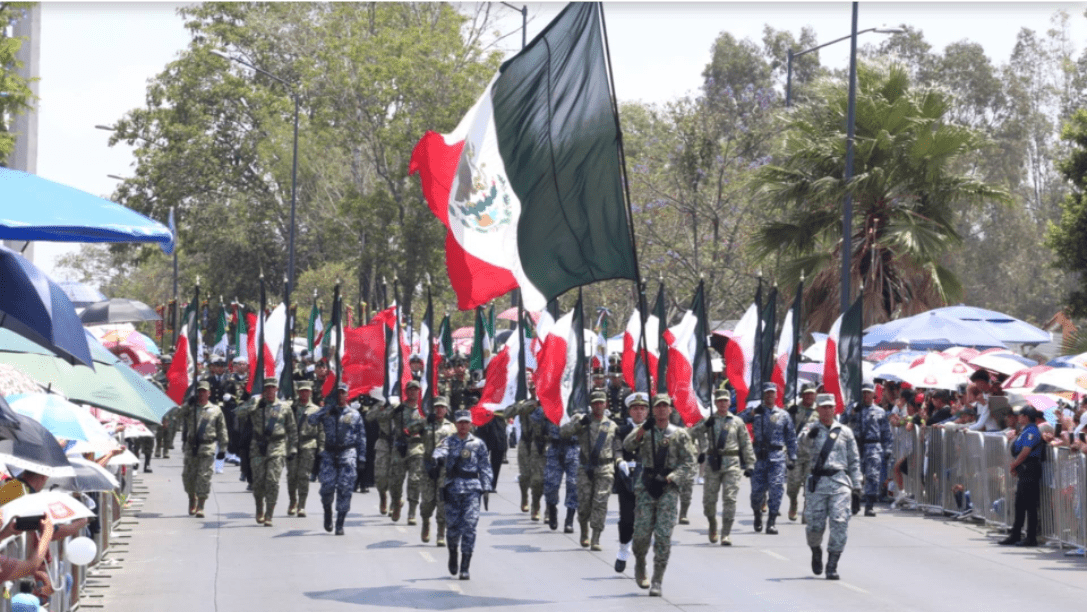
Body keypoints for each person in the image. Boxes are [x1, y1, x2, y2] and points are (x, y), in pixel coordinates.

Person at [623, 394, 697, 597]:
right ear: (653, 410)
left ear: (671, 410)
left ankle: (657, 580)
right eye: (658, 407)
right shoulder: (645, 431)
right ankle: (640, 562)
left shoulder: (680, 434)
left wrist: (672, 477)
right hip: (646, 487)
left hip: (668, 489)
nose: (662, 410)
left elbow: (690, 463)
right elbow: (628, 446)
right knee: (640, 537)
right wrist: (642, 429)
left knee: (663, 537)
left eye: (665, 406)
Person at [801, 394, 863, 581]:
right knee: (814, 525)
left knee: (840, 521)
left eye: (830, 407)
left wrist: (857, 487)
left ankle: (832, 565)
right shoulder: (810, 428)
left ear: (835, 408)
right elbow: (801, 445)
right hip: (818, 483)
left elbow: (854, 460)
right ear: (817, 409)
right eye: (823, 407)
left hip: (839, 482)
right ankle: (816, 551)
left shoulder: (845, 432)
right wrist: (808, 437)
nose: (827, 410)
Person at [433, 409, 493, 581]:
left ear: (471, 423)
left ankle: (465, 565)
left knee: (469, 526)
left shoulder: (478, 443)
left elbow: (485, 466)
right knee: (452, 528)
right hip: (453, 488)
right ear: (455, 424)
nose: (463, 426)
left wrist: (487, 485)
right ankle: (453, 553)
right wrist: (437, 459)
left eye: (466, 422)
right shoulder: (448, 441)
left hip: (472, 489)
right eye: (460, 422)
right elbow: (439, 451)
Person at [690, 389, 755, 546]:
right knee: (709, 501)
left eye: (725, 401)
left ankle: (726, 533)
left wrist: (750, 463)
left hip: (732, 463)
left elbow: (746, 443)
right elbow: (691, 434)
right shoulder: (708, 420)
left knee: (730, 499)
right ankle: (712, 523)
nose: (723, 404)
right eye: (719, 401)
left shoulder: (737, 422)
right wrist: (705, 425)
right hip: (713, 464)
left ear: (729, 402)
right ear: (715, 403)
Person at [560, 389, 621, 550]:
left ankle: (596, 537)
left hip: (605, 468)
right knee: (584, 503)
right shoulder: (583, 420)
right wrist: (580, 424)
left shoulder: (612, 425)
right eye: (595, 403)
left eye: (601, 403)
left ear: (605, 404)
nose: (598, 406)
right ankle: (584, 531)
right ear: (591, 405)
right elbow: (563, 432)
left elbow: (617, 447)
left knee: (600, 503)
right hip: (585, 468)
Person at [236, 377, 298, 526]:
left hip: (277, 446)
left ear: (276, 389)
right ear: (263, 390)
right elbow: (238, 412)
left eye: (272, 388)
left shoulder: (284, 407)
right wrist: (254, 405)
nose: (269, 391)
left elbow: (292, 429)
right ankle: (259, 508)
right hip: (257, 447)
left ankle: (269, 513)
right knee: (258, 482)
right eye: (267, 388)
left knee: (273, 481)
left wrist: (293, 447)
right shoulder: (256, 404)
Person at [309, 382, 366, 535]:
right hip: (329, 454)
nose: (341, 395)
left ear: (347, 395)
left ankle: (340, 522)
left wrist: (362, 458)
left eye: (343, 393)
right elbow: (311, 420)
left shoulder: (354, 414)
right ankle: (327, 511)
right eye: (338, 393)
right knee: (327, 487)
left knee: (345, 488)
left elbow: (361, 437)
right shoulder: (328, 411)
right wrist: (326, 409)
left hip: (347, 454)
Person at [742, 382, 797, 534]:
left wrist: (792, 457)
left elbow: (791, 437)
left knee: (776, 489)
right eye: (767, 393)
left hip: (777, 457)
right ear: (763, 395)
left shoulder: (784, 415)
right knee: (757, 492)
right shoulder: (756, 412)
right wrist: (752, 413)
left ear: (776, 394)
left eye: (772, 393)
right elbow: (738, 420)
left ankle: (771, 522)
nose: (770, 395)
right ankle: (757, 514)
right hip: (759, 457)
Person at [373, 380, 426, 523]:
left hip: (417, 448)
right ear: (406, 392)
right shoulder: (399, 407)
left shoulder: (424, 409)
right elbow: (381, 418)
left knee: (415, 481)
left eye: (416, 389)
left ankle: (412, 512)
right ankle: (396, 502)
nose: (413, 392)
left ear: (419, 391)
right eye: (410, 389)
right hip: (399, 447)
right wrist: (392, 410)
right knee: (395, 481)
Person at [178, 380, 230, 518]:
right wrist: (187, 404)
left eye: (204, 391)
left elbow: (222, 430)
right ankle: (191, 498)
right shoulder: (191, 408)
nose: (202, 393)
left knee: (204, 476)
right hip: (191, 447)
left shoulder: (215, 410)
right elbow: (177, 415)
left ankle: (201, 505)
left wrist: (223, 449)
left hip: (207, 446)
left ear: (209, 393)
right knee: (188, 476)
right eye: (199, 391)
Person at [843, 383, 892, 516]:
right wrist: (852, 412)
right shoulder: (854, 407)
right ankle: (855, 500)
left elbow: (886, 432)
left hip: (873, 446)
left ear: (873, 394)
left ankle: (869, 505)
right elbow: (842, 420)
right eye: (863, 392)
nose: (865, 395)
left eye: (868, 392)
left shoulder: (880, 412)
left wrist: (887, 449)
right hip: (857, 446)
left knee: (873, 476)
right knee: (855, 475)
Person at [999, 405, 1045, 547]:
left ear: (1026, 416)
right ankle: (1016, 534)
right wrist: (1017, 466)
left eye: (1020, 415)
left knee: (1029, 504)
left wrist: (1014, 465)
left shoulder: (1032, 430)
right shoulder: (1024, 430)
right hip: (1024, 469)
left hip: (1030, 468)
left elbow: (1026, 451)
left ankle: (1031, 537)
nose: (1018, 417)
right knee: (1019, 503)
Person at [613, 392, 648, 571]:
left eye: (642, 409)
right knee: (627, 519)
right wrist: (620, 462)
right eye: (635, 409)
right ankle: (623, 550)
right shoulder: (622, 430)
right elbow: (617, 448)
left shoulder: (653, 429)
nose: (639, 412)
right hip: (628, 479)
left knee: (646, 521)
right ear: (630, 412)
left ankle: (642, 558)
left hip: (648, 480)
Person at [536, 397, 579, 533]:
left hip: (573, 448)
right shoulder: (550, 407)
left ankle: (569, 520)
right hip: (555, 448)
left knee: (573, 485)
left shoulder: (579, 405)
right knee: (551, 484)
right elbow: (539, 426)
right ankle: (552, 508)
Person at [507, 372, 547, 520]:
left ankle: (535, 505)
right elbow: (507, 412)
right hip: (525, 441)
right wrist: (524, 407)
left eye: (536, 388)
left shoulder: (547, 404)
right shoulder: (525, 403)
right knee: (525, 476)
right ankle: (524, 496)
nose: (534, 391)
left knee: (538, 479)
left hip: (540, 444)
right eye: (532, 389)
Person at [420, 396, 456, 545]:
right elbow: (410, 430)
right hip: (428, 465)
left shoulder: (451, 427)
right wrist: (424, 422)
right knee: (428, 501)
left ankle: (441, 532)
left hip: (444, 468)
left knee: (442, 501)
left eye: (442, 407)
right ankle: (426, 522)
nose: (439, 410)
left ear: (446, 410)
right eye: (437, 407)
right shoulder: (427, 424)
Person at [287, 381, 324, 518]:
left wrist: (321, 447)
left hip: (309, 444)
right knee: (292, 476)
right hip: (292, 445)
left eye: (306, 391)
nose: (304, 393)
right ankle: (292, 501)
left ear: (311, 392)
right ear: (298, 392)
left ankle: (302, 505)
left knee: (304, 476)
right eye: (301, 391)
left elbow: (321, 430)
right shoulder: (291, 408)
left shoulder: (315, 410)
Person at [785, 383, 819, 521]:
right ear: (802, 395)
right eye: (807, 393)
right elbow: (783, 426)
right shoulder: (793, 409)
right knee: (793, 484)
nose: (810, 396)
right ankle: (793, 502)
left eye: (812, 393)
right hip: (796, 453)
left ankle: (807, 509)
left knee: (810, 485)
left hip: (812, 454)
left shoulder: (819, 411)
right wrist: (788, 414)